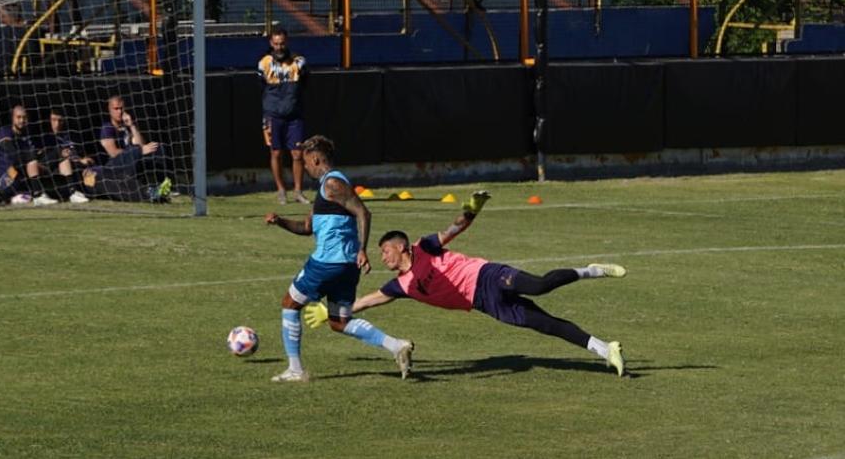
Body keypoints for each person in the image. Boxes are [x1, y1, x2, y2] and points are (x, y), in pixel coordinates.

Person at [304, 191, 630, 377]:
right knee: (544, 325)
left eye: (386, 250)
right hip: (483, 303)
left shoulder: (424, 247)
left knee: (540, 285)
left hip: (487, 275)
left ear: (401, 246)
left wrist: (471, 210)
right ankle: (605, 349)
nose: (384, 256)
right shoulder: (400, 285)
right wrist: (331, 309)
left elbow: (453, 229)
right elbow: (369, 300)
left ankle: (591, 270)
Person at [265, 135, 413, 382]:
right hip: (345, 268)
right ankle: (396, 346)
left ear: (315, 159)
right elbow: (306, 227)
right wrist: (279, 221)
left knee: (289, 304)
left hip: (327, 263)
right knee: (339, 322)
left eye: (305, 162)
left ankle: (295, 370)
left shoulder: (332, 183)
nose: (304, 167)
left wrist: (363, 249)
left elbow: (363, 212)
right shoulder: (326, 187)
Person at [258, 27, 309, 206]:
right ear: (271, 43)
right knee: (276, 152)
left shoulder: (299, 62)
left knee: (297, 153)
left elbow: (306, 82)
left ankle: (298, 191)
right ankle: (281, 190)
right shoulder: (264, 63)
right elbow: (261, 86)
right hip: (273, 114)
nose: (279, 47)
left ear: (287, 42)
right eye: (276, 44)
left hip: (294, 114)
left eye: (282, 43)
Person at [98, 95, 171, 202]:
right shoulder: (107, 128)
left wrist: (132, 126)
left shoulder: (127, 126)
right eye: (116, 109)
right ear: (109, 110)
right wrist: (139, 151)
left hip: (132, 159)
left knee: (158, 148)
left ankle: (164, 185)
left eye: (122, 108)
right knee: (136, 150)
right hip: (112, 167)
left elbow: (141, 144)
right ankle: (138, 187)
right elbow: (113, 153)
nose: (119, 111)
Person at [0, 104, 57, 206]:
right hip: (7, 177)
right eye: (18, 117)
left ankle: (72, 192)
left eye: (24, 117)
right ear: (12, 118)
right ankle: (38, 196)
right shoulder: (5, 131)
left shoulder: (29, 135)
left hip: (23, 176)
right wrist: (32, 159)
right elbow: (11, 152)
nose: (22, 120)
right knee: (31, 159)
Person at [39, 107, 92, 204]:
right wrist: (61, 153)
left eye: (60, 120)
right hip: (56, 172)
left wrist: (84, 159)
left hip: (77, 169)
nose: (57, 124)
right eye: (54, 120)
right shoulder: (45, 139)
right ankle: (73, 192)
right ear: (49, 121)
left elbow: (83, 155)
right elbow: (43, 162)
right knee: (64, 160)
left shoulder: (71, 136)